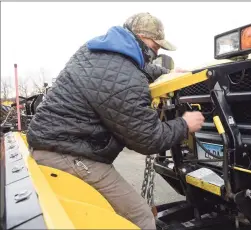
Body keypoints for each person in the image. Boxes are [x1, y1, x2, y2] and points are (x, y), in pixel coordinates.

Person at [26, 12, 204, 229]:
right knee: (140, 217)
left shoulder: (96, 51)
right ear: (143, 39)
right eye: (156, 46)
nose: (157, 52)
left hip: (51, 146)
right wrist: (185, 124)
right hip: (69, 155)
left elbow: (134, 69)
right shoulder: (126, 78)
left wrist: (168, 73)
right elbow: (149, 139)